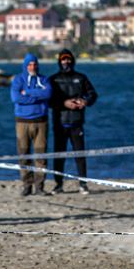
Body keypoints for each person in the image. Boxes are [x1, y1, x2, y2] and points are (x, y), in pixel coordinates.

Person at [48, 49, 98, 195]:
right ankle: (58, 184)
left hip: (77, 123)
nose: (66, 62)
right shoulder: (53, 79)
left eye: (68, 59)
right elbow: (49, 101)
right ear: (59, 61)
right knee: (59, 155)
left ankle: (83, 184)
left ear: (72, 60)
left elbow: (93, 94)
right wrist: (64, 103)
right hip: (60, 123)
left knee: (80, 155)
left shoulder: (81, 78)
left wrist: (85, 101)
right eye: (63, 59)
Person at [10, 53, 52, 197]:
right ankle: (27, 186)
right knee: (24, 155)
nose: (32, 67)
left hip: (41, 122)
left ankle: (39, 186)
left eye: (34, 64)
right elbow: (16, 98)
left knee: (41, 155)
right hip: (22, 122)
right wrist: (37, 96)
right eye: (29, 64)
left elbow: (48, 94)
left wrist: (27, 92)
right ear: (25, 65)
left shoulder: (44, 79)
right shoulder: (18, 79)